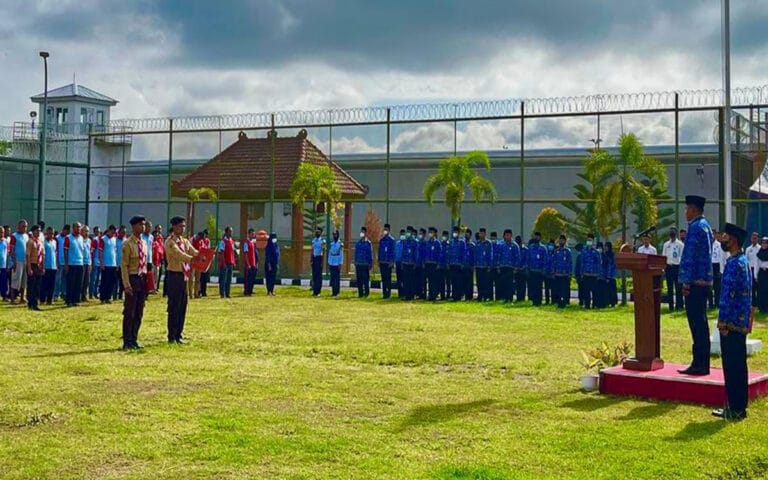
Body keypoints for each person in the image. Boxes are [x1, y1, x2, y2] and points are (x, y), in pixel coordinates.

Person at [712, 223, 752, 420]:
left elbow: (728, 295)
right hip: (740, 322)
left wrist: (723, 321)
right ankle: (738, 406)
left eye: (726, 236)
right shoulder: (742, 261)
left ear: (734, 240)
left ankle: (735, 407)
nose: (723, 239)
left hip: (731, 323)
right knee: (738, 365)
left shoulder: (734, 263)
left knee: (732, 365)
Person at [678, 195, 714, 375]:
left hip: (694, 282)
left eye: (687, 209)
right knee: (702, 322)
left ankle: (699, 363)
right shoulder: (706, 226)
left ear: (693, 209)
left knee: (696, 322)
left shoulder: (694, 227)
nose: (685, 212)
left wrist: (685, 281)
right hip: (704, 280)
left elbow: (690, 256)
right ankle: (702, 362)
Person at [165, 216, 199, 344]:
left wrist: (203, 254)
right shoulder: (170, 242)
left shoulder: (184, 241)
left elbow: (193, 251)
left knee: (182, 305)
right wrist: (192, 259)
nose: (182, 228)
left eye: (184, 226)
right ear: (174, 227)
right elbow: (179, 255)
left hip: (183, 276)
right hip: (174, 276)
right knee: (174, 306)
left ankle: (179, 333)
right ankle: (172, 335)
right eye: (180, 226)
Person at [121, 216, 149, 350]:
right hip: (132, 278)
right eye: (140, 225)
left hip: (142, 278)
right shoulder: (128, 244)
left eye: (143, 224)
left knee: (139, 311)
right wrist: (126, 284)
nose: (142, 227)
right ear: (133, 227)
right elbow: (124, 265)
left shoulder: (143, 243)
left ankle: (134, 338)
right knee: (129, 311)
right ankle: (127, 340)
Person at [662, 228, 685, 311]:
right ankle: (671, 306)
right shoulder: (666, 244)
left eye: (673, 231)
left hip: (677, 267)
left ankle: (679, 306)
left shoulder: (680, 244)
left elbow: (682, 257)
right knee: (670, 288)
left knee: (678, 288)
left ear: (676, 233)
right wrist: (663, 268)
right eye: (670, 231)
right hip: (668, 267)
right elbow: (664, 256)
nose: (672, 233)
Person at [63, 222, 85, 307]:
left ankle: (75, 300)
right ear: (73, 228)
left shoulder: (81, 238)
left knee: (78, 283)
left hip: (80, 263)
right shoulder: (68, 238)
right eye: (77, 227)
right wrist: (66, 264)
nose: (78, 229)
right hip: (71, 263)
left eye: (79, 227)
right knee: (70, 283)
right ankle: (69, 300)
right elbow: (65, 251)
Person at [9, 219, 29, 304]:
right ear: (19, 226)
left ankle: (22, 298)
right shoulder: (14, 236)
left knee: (24, 280)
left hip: (25, 260)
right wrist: (14, 261)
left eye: (26, 226)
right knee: (15, 279)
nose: (25, 228)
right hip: (17, 261)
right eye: (23, 226)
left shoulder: (26, 236)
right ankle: (12, 298)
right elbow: (11, 250)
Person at [25, 224, 44, 311]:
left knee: (37, 285)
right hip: (32, 264)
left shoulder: (40, 242)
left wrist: (42, 266)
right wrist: (29, 268)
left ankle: (35, 302)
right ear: (33, 232)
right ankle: (30, 303)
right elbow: (28, 255)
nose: (38, 232)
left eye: (39, 231)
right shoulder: (30, 241)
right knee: (31, 285)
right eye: (37, 231)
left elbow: (43, 255)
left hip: (39, 265)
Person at [581, 234, 602, 309]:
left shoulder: (596, 252)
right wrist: (582, 272)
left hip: (594, 275)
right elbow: (582, 262)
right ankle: (587, 305)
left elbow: (599, 263)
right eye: (588, 240)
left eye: (590, 240)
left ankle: (594, 305)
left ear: (593, 241)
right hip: (586, 274)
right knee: (586, 291)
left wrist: (598, 274)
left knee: (594, 291)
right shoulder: (584, 251)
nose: (589, 242)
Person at [498, 229, 519, 303]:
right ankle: (504, 298)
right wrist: (498, 266)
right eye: (506, 235)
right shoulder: (501, 245)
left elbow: (517, 257)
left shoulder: (514, 245)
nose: (507, 236)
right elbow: (499, 256)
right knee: (503, 283)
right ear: (504, 236)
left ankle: (510, 298)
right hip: (503, 267)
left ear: (511, 235)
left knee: (510, 283)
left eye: (509, 235)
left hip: (511, 267)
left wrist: (516, 267)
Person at [526, 232, 548, 306]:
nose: (536, 238)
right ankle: (534, 301)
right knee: (533, 286)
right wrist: (528, 268)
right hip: (532, 270)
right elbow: (528, 258)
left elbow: (545, 260)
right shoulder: (530, 247)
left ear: (540, 238)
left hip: (540, 271)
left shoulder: (543, 248)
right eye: (535, 236)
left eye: (538, 237)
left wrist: (544, 270)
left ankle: (539, 301)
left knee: (539, 286)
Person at [99, 225, 118, 304]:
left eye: (114, 232)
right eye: (112, 232)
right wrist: (102, 263)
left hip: (113, 264)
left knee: (111, 282)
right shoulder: (103, 239)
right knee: (104, 282)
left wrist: (116, 263)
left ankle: (108, 297)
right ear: (109, 230)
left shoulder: (114, 239)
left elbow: (115, 252)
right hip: (106, 264)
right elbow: (100, 252)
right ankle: (103, 297)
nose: (113, 234)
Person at [553, 234, 572, 308]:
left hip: (565, 274)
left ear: (565, 241)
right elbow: (554, 262)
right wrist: (554, 272)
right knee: (558, 290)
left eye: (563, 240)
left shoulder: (567, 251)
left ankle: (564, 302)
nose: (561, 241)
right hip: (557, 274)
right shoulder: (556, 251)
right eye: (560, 240)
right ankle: (558, 303)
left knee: (564, 290)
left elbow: (569, 263)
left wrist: (570, 273)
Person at [709, 228, 726, 310]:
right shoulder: (706, 244)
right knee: (709, 286)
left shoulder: (719, 245)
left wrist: (720, 269)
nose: (712, 235)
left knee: (717, 286)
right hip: (709, 266)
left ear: (716, 235)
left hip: (716, 266)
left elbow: (721, 258)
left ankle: (717, 303)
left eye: (713, 234)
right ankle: (710, 304)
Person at [447, 226, 465, 302]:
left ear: (459, 233)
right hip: (452, 264)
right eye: (454, 232)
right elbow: (449, 253)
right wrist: (448, 262)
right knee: (453, 281)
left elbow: (463, 253)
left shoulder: (461, 242)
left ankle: (459, 295)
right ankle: (454, 295)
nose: (455, 233)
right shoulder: (451, 242)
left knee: (459, 281)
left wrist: (462, 263)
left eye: (456, 232)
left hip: (458, 264)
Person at [217, 226, 236, 298]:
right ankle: (222, 293)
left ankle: (227, 293)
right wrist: (223, 263)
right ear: (226, 232)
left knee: (229, 279)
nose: (231, 233)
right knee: (223, 279)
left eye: (231, 231)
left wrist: (234, 261)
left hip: (230, 262)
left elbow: (233, 252)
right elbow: (221, 252)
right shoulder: (223, 241)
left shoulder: (231, 241)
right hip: (225, 263)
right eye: (230, 231)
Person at [474, 228, 493, 301]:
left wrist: (489, 265)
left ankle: (485, 296)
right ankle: (480, 296)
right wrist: (475, 264)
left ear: (485, 234)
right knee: (479, 282)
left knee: (485, 282)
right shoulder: (477, 243)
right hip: (479, 265)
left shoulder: (488, 243)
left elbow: (490, 254)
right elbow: (475, 254)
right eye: (480, 233)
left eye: (482, 233)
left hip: (485, 266)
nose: (481, 235)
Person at [400, 227, 418, 301]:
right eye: (407, 232)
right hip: (405, 263)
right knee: (405, 280)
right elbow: (403, 253)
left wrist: (415, 263)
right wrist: (402, 262)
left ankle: (411, 295)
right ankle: (406, 295)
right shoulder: (404, 242)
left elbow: (416, 253)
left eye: (409, 232)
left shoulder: (414, 242)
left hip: (411, 264)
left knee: (411, 280)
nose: (407, 233)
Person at [425, 227, 442, 301]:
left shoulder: (437, 243)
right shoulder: (427, 242)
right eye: (429, 232)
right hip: (428, 263)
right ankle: (430, 294)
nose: (430, 234)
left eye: (431, 232)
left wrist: (438, 263)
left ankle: (434, 295)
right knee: (429, 280)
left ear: (435, 233)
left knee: (434, 280)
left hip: (434, 264)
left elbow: (439, 254)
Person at [354, 226, 372, 298]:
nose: (362, 233)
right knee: (359, 280)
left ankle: (366, 293)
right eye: (361, 232)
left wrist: (370, 263)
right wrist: (355, 261)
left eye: (363, 232)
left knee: (365, 279)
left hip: (365, 264)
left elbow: (370, 253)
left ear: (365, 233)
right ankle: (360, 293)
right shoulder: (358, 243)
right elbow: (356, 253)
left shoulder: (368, 243)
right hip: (358, 263)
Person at [41, 227, 57, 305]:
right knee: (45, 284)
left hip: (53, 266)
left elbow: (55, 253)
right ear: (46, 233)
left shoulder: (54, 242)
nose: (51, 235)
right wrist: (42, 266)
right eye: (50, 233)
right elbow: (42, 255)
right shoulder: (43, 242)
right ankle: (43, 299)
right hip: (46, 266)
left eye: (52, 233)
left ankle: (50, 299)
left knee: (52, 284)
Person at [378, 224, 395, 299]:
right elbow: (379, 251)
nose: (385, 231)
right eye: (384, 229)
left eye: (386, 229)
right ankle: (384, 293)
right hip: (382, 262)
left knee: (388, 278)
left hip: (388, 263)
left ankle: (388, 293)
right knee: (383, 278)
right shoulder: (381, 240)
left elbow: (393, 252)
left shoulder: (391, 240)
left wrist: (391, 262)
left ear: (389, 230)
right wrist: (379, 260)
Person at [54, 224, 70, 301]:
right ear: (63, 230)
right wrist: (56, 261)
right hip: (59, 261)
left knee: (65, 279)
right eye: (65, 231)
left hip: (66, 262)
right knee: (58, 279)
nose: (66, 233)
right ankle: (56, 294)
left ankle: (64, 293)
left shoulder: (68, 238)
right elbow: (55, 250)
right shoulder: (57, 238)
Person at [745, 232, 761, 307]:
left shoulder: (760, 248)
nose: (754, 239)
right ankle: (753, 303)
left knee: (759, 287)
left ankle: (760, 303)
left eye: (755, 238)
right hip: (750, 269)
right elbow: (746, 260)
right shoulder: (748, 249)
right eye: (753, 238)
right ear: (751, 239)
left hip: (758, 269)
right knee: (752, 287)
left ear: (757, 239)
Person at [242, 228, 259, 296]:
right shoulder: (246, 243)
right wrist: (248, 264)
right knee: (247, 278)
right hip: (248, 264)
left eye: (253, 234)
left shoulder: (253, 243)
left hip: (253, 263)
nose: (253, 235)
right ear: (249, 234)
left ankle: (250, 290)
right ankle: (246, 291)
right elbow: (246, 254)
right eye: (252, 234)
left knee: (252, 278)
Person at [310, 227, 325, 297]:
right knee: (314, 275)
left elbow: (322, 252)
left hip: (319, 258)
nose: (317, 232)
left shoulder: (322, 241)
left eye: (318, 231)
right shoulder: (313, 241)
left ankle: (318, 291)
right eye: (316, 231)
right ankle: (314, 291)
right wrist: (311, 259)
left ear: (320, 233)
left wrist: (322, 261)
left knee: (319, 276)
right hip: (314, 258)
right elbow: (312, 250)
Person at [328, 230, 343, 297]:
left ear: (338, 235)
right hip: (332, 263)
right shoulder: (332, 244)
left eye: (336, 234)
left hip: (337, 263)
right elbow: (330, 254)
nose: (335, 236)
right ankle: (333, 292)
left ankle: (337, 292)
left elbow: (341, 254)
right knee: (332, 278)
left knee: (337, 279)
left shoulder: (340, 244)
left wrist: (340, 263)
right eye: (333, 234)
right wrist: (329, 262)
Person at [603, 242, 618, 307]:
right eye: (605, 246)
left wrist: (609, 276)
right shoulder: (603, 254)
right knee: (606, 290)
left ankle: (613, 303)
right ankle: (606, 302)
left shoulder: (612, 255)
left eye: (607, 246)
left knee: (612, 290)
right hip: (605, 275)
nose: (605, 248)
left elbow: (612, 265)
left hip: (611, 276)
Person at [462, 229, 476, 301]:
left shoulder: (472, 245)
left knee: (469, 282)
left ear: (470, 235)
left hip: (469, 266)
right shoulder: (462, 243)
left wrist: (473, 266)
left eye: (468, 234)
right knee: (463, 281)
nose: (466, 235)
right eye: (465, 234)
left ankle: (469, 296)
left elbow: (474, 256)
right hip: (463, 265)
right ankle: (463, 294)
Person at [756, 237, 768, 313]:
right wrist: (755, 275)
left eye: (766, 243)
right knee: (761, 290)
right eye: (763, 243)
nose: (764, 244)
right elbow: (756, 264)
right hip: (761, 273)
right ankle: (761, 307)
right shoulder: (759, 252)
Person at [89, 226, 101, 300]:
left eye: (99, 232)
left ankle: (95, 293)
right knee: (93, 279)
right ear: (94, 232)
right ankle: (91, 293)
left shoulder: (101, 239)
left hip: (100, 263)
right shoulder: (94, 240)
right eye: (96, 232)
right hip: (95, 262)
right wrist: (92, 262)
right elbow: (92, 252)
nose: (98, 233)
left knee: (98, 280)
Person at [80, 225, 92, 303]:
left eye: (88, 231)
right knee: (80, 280)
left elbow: (89, 252)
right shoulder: (79, 239)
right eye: (85, 231)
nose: (87, 233)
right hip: (81, 262)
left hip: (87, 262)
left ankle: (84, 296)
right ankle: (78, 296)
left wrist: (90, 263)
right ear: (81, 231)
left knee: (86, 280)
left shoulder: (89, 240)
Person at [416, 228, 428, 300]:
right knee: (418, 280)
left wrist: (424, 262)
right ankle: (419, 293)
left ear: (424, 234)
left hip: (423, 264)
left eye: (421, 233)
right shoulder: (418, 242)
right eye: (419, 233)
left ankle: (424, 294)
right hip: (417, 264)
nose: (420, 235)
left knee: (423, 280)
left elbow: (425, 254)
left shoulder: (425, 243)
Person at [515, 235, 527, 302]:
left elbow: (527, 260)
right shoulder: (515, 249)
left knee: (522, 285)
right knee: (517, 285)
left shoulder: (525, 249)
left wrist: (522, 267)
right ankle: (518, 297)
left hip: (523, 270)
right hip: (516, 270)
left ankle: (522, 298)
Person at [440, 230, 451, 300]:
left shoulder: (449, 244)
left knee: (448, 282)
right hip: (441, 266)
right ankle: (442, 295)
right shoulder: (440, 244)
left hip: (448, 266)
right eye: (443, 235)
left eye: (446, 236)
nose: (444, 237)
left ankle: (448, 295)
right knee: (441, 281)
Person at [395, 229, 405, 298]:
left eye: (403, 234)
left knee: (404, 279)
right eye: (401, 234)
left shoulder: (406, 244)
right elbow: (395, 253)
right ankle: (400, 294)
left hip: (404, 263)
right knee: (399, 279)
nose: (402, 236)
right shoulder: (397, 243)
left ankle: (404, 293)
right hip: (398, 263)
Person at [0, 228, 8, 301]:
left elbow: (7, 253)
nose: (1, 233)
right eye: (0, 232)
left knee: (3, 281)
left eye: (2, 232)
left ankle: (4, 296)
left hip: (3, 265)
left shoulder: (5, 241)